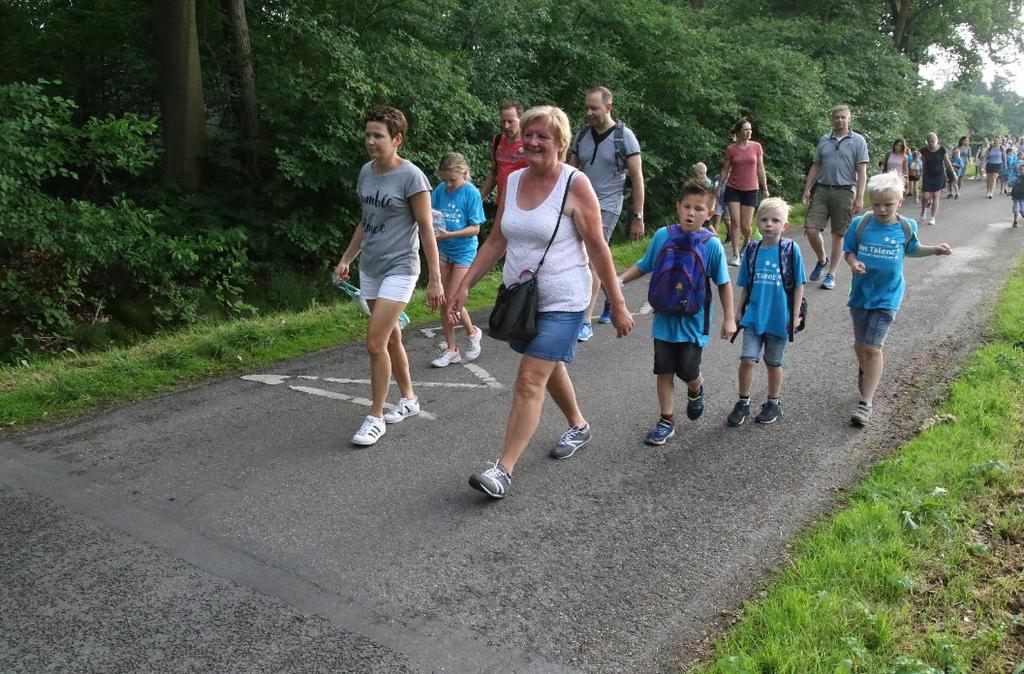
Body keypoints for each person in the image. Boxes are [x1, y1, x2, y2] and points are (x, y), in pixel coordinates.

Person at [448, 105, 634, 499]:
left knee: (530, 377)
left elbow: (598, 248)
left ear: (562, 143)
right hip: (522, 301)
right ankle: (579, 426)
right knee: (546, 368)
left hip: (565, 300)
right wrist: (464, 285)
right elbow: (497, 239)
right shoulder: (513, 181)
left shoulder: (575, 184)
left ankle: (503, 470)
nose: (532, 141)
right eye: (529, 134)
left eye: (542, 136)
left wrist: (616, 302)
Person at [334, 106, 444, 447]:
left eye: (378, 135)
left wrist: (435, 279)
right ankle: (409, 399)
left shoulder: (412, 177)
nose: (370, 141)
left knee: (375, 342)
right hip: (371, 269)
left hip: (401, 268)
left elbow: (427, 230)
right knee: (392, 338)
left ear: (396, 139)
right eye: (368, 134)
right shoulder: (366, 173)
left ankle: (375, 416)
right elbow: (365, 223)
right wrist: (347, 259)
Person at [618, 180, 736, 445]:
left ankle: (696, 388)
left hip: (693, 323)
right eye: (686, 207)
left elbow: (724, 283)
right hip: (664, 320)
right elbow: (645, 264)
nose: (691, 213)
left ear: (710, 212)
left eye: (698, 208)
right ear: (678, 207)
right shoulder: (663, 236)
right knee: (664, 370)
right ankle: (666, 419)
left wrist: (729, 318)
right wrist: (620, 280)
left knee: (687, 370)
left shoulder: (711, 245)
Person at [844, 172, 952, 427]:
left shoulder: (906, 226)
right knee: (860, 346)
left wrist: (934, 250)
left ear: (900, 202)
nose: (881, 209)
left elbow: (912, 249)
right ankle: (866, 369)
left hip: (888, 296)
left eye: (888, 204)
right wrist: (853, 262)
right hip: (861, 295)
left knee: (873, 347)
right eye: (876, 203)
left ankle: (866, 404)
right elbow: (849, 251)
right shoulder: (860, 224)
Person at [568, 85, 645, 339]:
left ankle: (584, 321)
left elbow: (637, 179)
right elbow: (570, 173)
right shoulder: (581, 136)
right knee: (579, 255)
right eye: (586, 108)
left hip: (608, 205)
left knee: (592, 257)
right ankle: (612, 295)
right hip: (581, 203)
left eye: (594, 108)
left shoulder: (625, 137)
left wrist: (638, 216)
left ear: (608, 107)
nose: (588, 112)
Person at [727, 197, 806, 427]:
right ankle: (743, 401)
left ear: (785, 225)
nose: (769, 224)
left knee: (773, 363)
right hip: (754, 316)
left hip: (779, 318)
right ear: (756, 222)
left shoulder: (791, 250)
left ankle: (774, 402)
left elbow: (799, 284)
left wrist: (794, 315)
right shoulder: (752, 250)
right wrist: (739, 311)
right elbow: (746, 284)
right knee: (747, 360)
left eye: (775, 220)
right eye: (764, 220)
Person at [801, 105, 869, 291]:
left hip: (845, 191)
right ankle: (822, 259)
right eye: (836, 117)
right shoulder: (824, 140)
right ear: (832, 119)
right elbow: (816, 166)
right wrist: (808, 189)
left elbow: (862, 172)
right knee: (811, 228)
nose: (840, 120)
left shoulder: (858, 141)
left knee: (838, 234)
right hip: (822, 189)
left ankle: (831, 275)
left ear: (849, 119)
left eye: (843, 117)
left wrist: (860, 197)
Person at [429, 152, 485, 367]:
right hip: (443, 249)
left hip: (464, 251)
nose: (448, 185)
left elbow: (475, 228)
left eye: (452, 180)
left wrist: (449, 234)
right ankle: (451, 349)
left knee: (454, 298)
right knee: (444, 300)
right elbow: (430, 214)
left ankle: (472, 334)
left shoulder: (471, 194)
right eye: (444, 180)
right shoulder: (440, 191)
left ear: (464, 172)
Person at [721, 118, 769, 266]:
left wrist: (765, 188)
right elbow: (724, 170)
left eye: (750, 129)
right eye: (746, 129)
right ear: (739, 132)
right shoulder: (731, 149)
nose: (749, 132)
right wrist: (717, 189)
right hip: (733, 188)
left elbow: (760, 169)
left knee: (745, 226)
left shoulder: (756, 147)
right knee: (735, 222)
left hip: (751, 189)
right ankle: (736, 254)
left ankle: (747, 240)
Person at [480, 100, 529, 206]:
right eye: (503, 121)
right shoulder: (497, 140)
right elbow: (494, 172)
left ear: (521, 120)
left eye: (511, 122)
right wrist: (480, 198)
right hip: (501, 203)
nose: (506, 126)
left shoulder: (529, 143)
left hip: (523, 205)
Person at [919, 133, 955, 226]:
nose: (931, 143)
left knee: (935, 196)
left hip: (939, 175)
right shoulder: (924, 150)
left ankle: (932, 218)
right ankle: (923, 210)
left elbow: (947, 162)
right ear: (926, 141)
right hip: (927, 175)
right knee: (925, 196)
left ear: (937, 140)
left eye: (933, 141)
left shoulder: (942, 150)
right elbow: (921, 162)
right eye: (929, 141)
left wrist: (953, 173)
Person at [1011, 152, 1024, 228]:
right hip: (1016, 195)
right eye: (1021, 169)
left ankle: (1022, 214)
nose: (1022, 170)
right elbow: (1011, 183)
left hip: (1022, 195)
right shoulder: (1016, 177)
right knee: (1016, 208)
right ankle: (1015, 221)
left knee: (1022, 209)